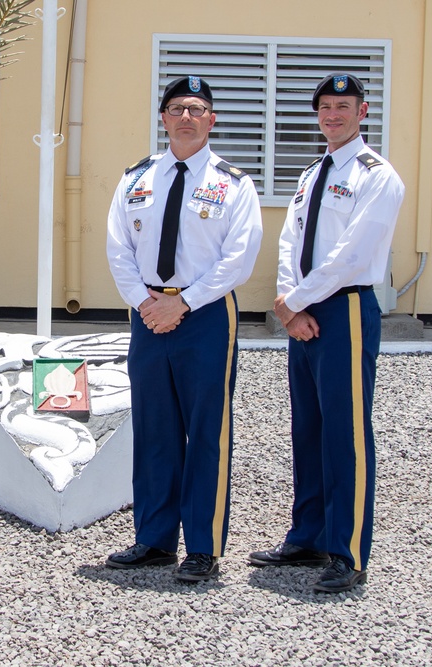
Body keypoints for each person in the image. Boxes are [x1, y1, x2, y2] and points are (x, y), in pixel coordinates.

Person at [249, 73, 405, 593]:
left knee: (346, 433)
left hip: (345, 312)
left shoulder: (378, 176)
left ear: (364, 112)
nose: (332, 115)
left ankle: (347, 550)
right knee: (308, 429)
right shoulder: (312, 173)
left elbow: (352, 255)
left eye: (344, 106)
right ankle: (308, 535)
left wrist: (295, 302)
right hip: (304, 315)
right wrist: (290, 309)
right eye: (325, 107)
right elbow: (288, 243)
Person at [105, 76, 263, 582]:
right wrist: (144, 303)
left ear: (212, 119)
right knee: (154, 429)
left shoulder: (234, 183)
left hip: (206, 316)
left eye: (197, 109)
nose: (186, 117)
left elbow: (239, 258)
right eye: (177, 108)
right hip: (147, 312)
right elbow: (117, 248)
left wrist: (185, 304)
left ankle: (203, 545)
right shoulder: (136, 178)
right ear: (163, 118)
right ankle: (153, 539)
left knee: (206, 432)